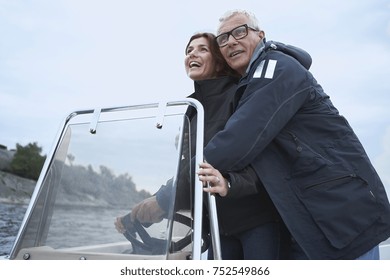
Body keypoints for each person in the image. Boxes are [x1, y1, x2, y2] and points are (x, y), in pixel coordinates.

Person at [199, 9, 390, 260]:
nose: (231, 41)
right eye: (222, 39)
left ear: (261, 35)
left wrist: (178, 186)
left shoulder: (276, 68)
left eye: (239, 32)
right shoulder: (249, 85)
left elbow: (238, 139)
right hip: (313, 219)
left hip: (342, 216)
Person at [115, 32, 285, 259]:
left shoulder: (240, 96)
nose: (192, 53)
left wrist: (162, 201)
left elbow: (246, 160)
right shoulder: (193, 109)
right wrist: (144, 210)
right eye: (188, 50)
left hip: (258, 220)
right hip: (219, 223)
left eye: (202, 49)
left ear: (218, 61)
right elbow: (189, 171)